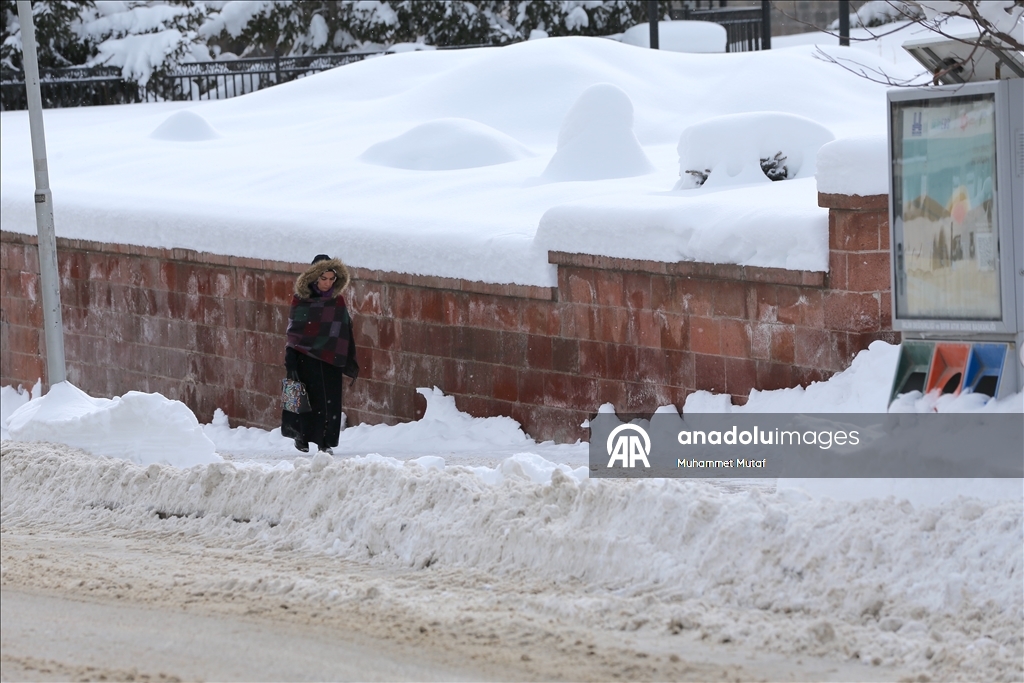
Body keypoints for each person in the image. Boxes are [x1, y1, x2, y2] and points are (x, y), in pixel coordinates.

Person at [281, 254, 359, 454]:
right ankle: (302, 436)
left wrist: (344, 355)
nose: (328, 283)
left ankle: (325, 443)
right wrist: (290, 357)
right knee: (306, 399)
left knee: (329, 402)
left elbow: (343, 329)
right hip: (304, 356)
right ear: (314, 277)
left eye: (332, 279)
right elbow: (294, 330)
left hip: (331, 357)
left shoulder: (337, 301)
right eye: (323, 278)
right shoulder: (301, 300)